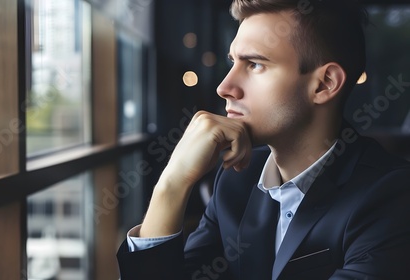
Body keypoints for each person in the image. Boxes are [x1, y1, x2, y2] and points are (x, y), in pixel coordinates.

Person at [117, 0, 410, 279]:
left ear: (324, 84)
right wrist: (171, 183)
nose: (225, 87)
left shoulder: (393, 197)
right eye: (233, 62)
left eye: (255, 64)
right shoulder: (236, 180)